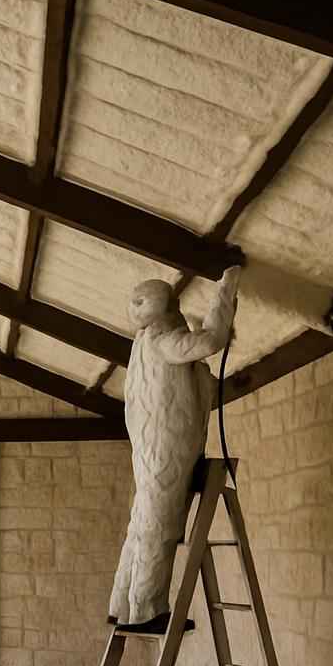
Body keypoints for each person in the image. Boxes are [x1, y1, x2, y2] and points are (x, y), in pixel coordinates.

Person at [108, 267, 241, 632]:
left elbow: (188, 386)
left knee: (143, 524)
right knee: (159, 528)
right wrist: (226, 290)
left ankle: (123, 603)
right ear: (168, 305)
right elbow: (210, 341)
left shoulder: (141, 350)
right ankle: (146, 610)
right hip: (167, 453)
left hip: (154, 451)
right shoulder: (163, 339)